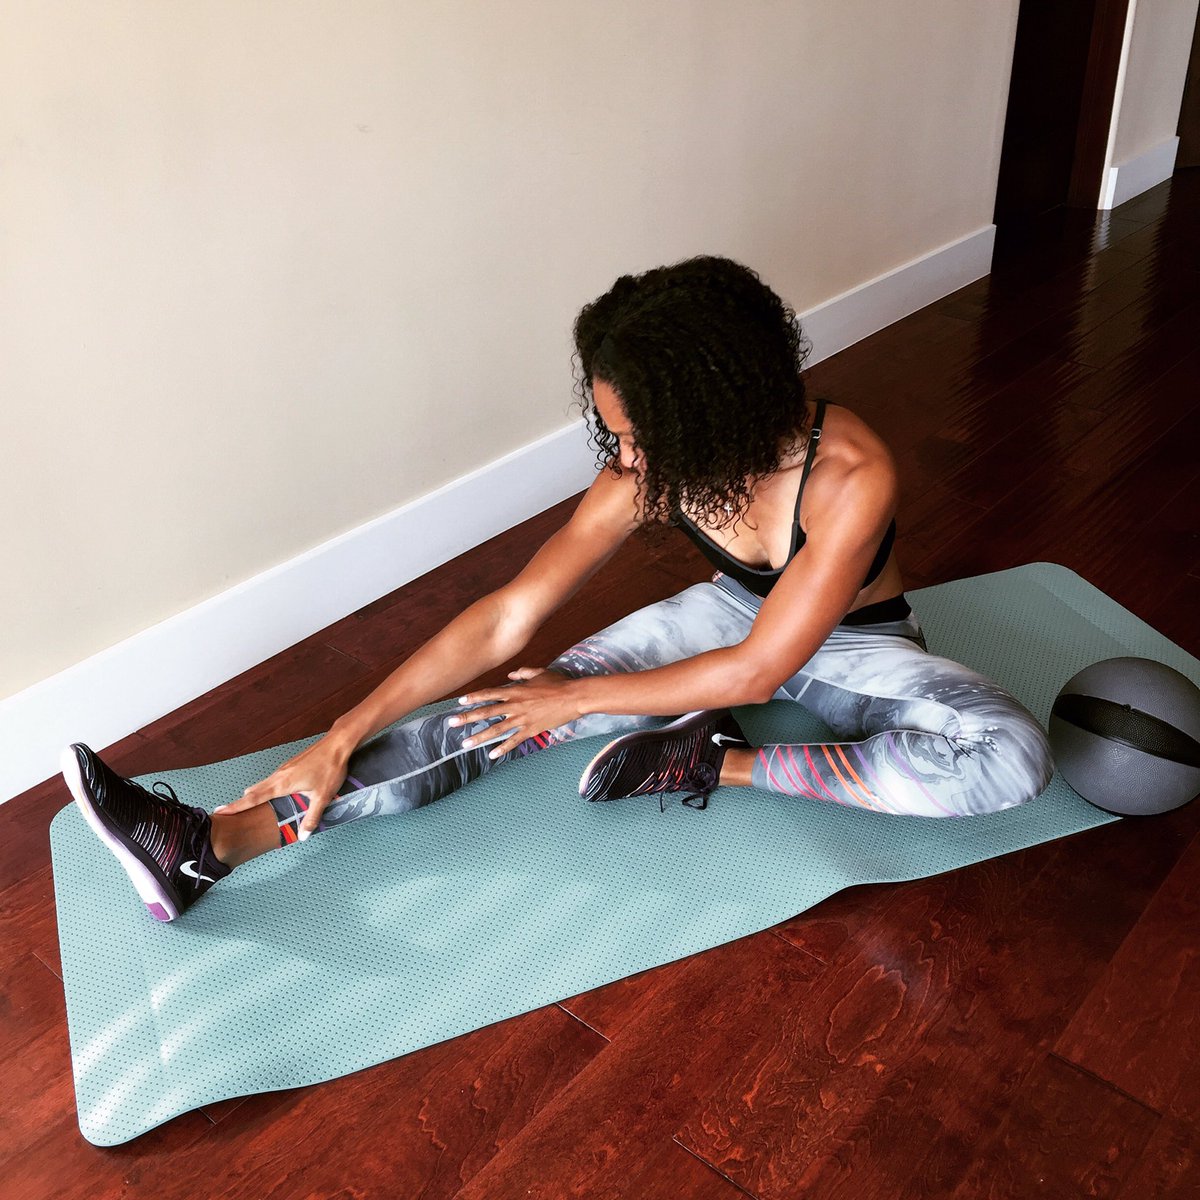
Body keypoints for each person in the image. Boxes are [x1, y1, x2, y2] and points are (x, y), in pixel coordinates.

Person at [61, 256, 1055, 923]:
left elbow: (760, 671)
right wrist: (340, 733)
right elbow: (509, 615)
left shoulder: (849, 473)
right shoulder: (647, 470)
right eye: (614, 431)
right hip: (724, 623)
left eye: (638, 433)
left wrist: (577, 701)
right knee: (508, 711)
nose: (624, 455)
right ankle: (209, 845)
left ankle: (716, 765)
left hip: (853, 649)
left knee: (1011, 757)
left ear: (713, 410)